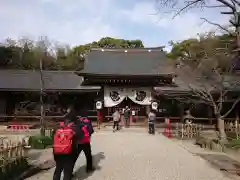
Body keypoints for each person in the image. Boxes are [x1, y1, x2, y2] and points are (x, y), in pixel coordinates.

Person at [53, 106, 83, 180]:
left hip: (57, 151)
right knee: (67, 171)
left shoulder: (59, 124)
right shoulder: (75, 125)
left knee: (58, 169)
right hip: (69, 151)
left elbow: (53, 136)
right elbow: (80, 136)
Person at [73, 108, 95, 173]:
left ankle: (69, 171)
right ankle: (89, 168)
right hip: (86, 142)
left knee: (74, 157)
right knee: (88, 156)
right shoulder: (87, 121)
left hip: (78, 142)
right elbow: (91, 130)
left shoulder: (77, 121)